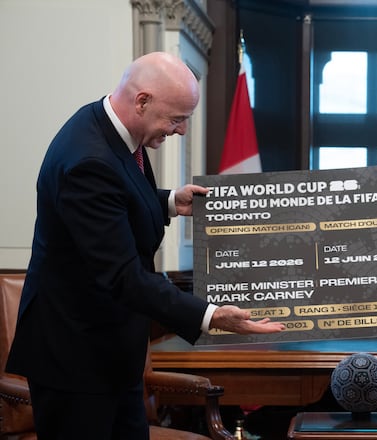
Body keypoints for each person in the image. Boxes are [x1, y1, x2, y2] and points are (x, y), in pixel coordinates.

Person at [6, 52, 285, 439]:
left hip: (109, 352)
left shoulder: (108, 129)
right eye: (177, 119)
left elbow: (114, 202)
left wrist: (169, 200)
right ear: (142, 101)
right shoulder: (90, 160)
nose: (182, 131)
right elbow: (122, 275)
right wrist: (211, 315)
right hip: (76, 361)